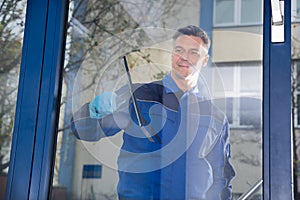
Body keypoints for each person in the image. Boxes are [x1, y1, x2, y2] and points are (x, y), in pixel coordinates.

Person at [71, 25, 235, 200]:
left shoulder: (214, 117)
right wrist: (94, 110)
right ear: (172, 54)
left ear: (204, 59)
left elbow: (222, 178)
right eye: (179, 50)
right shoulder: (138, 97)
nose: (184, 57)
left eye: (194, 52)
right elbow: (84, 129)